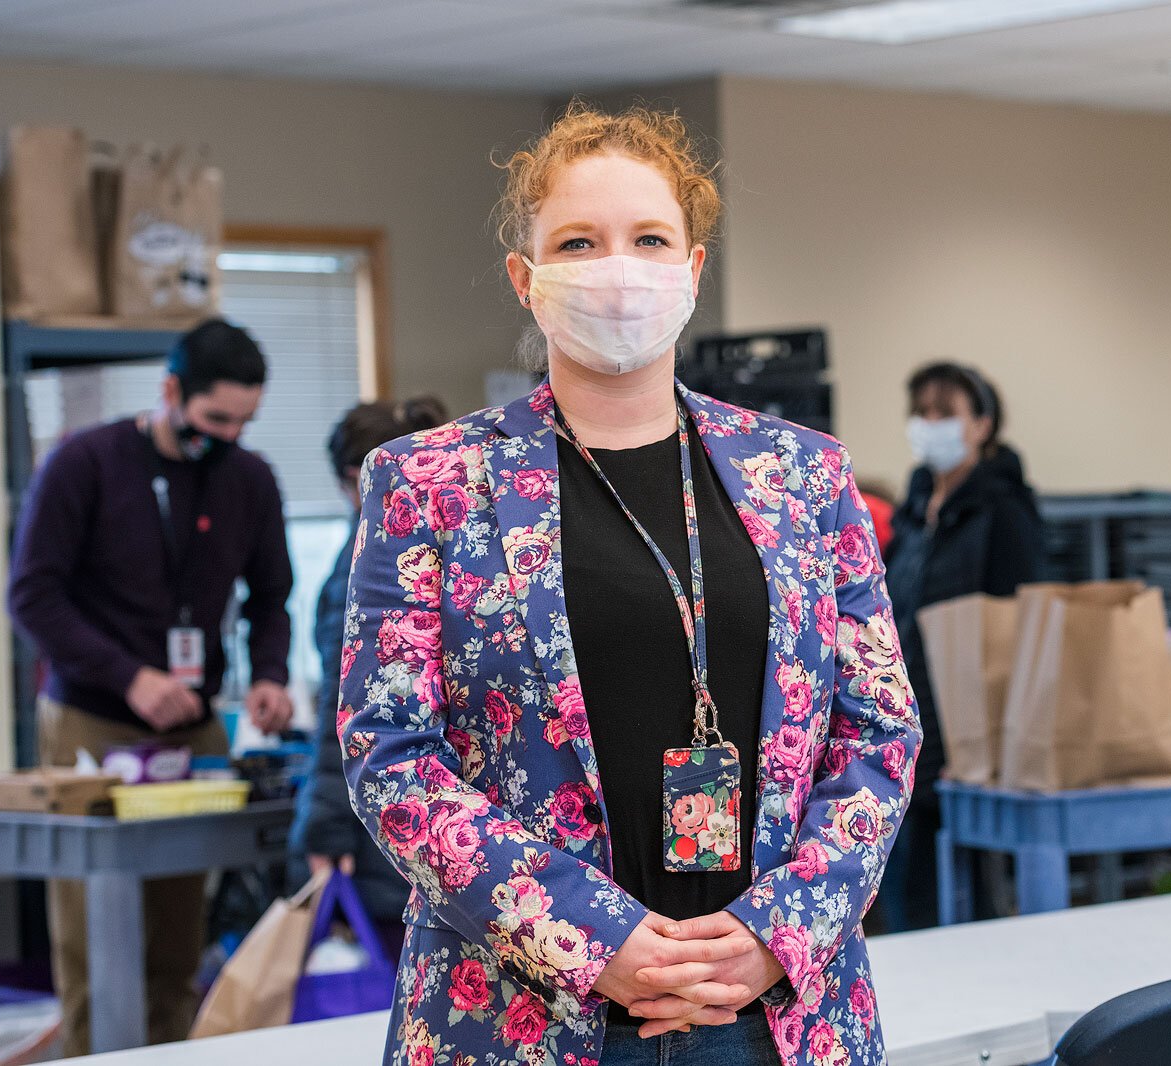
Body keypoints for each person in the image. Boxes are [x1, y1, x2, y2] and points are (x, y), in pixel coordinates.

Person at [339, 102, 919, 1066]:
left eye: (649, 238)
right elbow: (390, 753)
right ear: (527, 281)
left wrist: (779, 929)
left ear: (692, 271)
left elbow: (880, 729)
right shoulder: (430, 483)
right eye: (579, 240)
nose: (618, 267)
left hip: (775, 1018)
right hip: (515, 1016)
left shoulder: (804, 476)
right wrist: (585, 937)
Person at [7, 317, 295, 1055]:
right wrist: (128, 677)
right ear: (171, 391)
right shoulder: (85, 464)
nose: (228, 435)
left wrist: (269, 674)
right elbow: (33, 597)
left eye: (244, 421)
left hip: (191, 727)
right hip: (92, 721)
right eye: (213, 418)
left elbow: (270, 596)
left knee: (177, 936)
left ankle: (168, 1051)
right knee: (94, 937)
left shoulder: (249, 478)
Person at [879, 361, 1045, 931]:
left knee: (963, 883)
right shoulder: (915, 507)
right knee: (906, 875)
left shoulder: (1004, 509)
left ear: (982, 424)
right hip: (906, 716)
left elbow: (1017, 620)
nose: (930, 424)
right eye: (921, 412)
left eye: (945, 413)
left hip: (967, 725)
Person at [292, 396, 449, 958]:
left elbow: (356, 713)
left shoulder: (368, 564)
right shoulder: (458, 536)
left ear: (354, 478)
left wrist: (324, 830)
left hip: (390, 827)